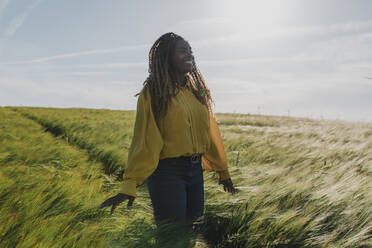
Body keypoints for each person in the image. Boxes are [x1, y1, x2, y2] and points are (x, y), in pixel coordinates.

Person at [99, 32, 237, 231]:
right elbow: (144, 140)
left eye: (190, 50)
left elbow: (210, 133)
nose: (189, 54)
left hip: (195, 171)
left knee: (192, 232)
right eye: (182, 51)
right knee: (172, 236)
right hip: (167, 173)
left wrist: (223, 171)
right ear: (166, 57)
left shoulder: (197, 92)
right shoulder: (154, 93)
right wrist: (130, 184)